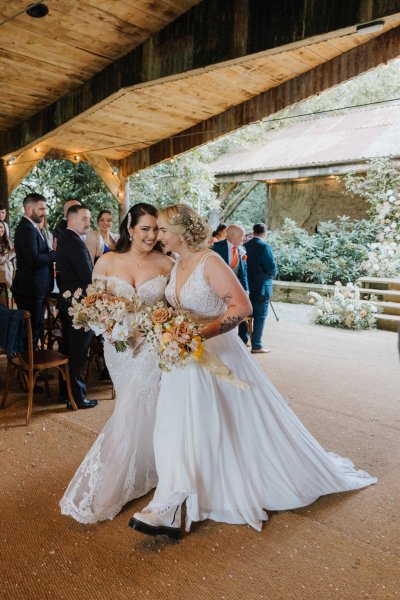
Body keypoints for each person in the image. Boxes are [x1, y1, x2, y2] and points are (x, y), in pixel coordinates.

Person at [130, 204, 377, 538]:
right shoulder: (178, 264)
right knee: (175, 424)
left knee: (225, 424)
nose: (157, 235)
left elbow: (242, 306)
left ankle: (177, 501)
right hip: (182, 357)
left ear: (181, 231)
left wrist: (196, 335)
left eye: (162, 229)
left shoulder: (210, 262)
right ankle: (171, 500)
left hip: (215, 354)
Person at [60, 203, 174, 524]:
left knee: (139, 405)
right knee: (130, 401)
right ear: (130, 228)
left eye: (156, 229)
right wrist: (108, 328)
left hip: (152, 347)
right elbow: (93, 306)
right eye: (145, 229)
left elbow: (174, 308)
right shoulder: (107, 261)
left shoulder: (167, 263)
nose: (151, 236)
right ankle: (142, 464)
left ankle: (120, 481)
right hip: (119, 349)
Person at [56, 204, 97, 410]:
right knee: (79, 352)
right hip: (78, 305)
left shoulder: (66, 239)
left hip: (68, 301)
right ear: (71, 220)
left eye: (89, 218)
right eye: (84, 218)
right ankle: (78, 398)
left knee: (70, 349)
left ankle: (66, 393)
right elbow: (88, 277)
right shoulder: (74, 242)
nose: (88, 222)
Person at [11, 193, 55, 348]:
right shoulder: (26, 229)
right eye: (41, 209)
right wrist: (53, 254)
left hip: (36, 289)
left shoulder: (32, 227)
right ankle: (30, 368)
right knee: (32, 332)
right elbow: (34, 259)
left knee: (36, 330)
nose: (45, 212)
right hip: (31, 289)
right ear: (29, 209)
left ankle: (33, 367)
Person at [244, 223, 278, 354]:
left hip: (246, 286)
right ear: (265, 233)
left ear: (253, 232)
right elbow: (271, 267)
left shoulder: (244, 246)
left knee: (245, 313)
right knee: (260, 316)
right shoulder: (265, 247)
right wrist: (273, 273)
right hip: (261, 287)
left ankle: (244, 340)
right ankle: (257, 345)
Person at [212, 224, 249, 344]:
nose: (244, 239)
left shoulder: (241, 250)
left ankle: (242, 339)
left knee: (239, 313)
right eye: (242, 236)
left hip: (235, 291)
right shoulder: (216, 247)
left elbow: (242, 273)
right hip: (218, 291)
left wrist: (246, 290)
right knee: (221, 317)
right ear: (232, 236)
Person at [0, 221, 14, 297]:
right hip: (3, 274)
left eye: (1, 227)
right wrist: (11, 253)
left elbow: (14, 254)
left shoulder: (7, 241)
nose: (0, 229)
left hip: (11, 271)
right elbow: (1, 260)